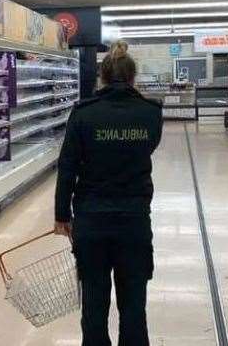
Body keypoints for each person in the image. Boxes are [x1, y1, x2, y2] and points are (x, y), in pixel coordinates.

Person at [55, 40, 163, 346]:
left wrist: (62, 215)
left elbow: (67, 167)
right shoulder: (150, 114)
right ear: (132, 77)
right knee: (133, 306)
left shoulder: (83, 114)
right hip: (134, 221)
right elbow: (148, 147)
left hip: (91, 221)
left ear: (101, 77)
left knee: (94, 305)